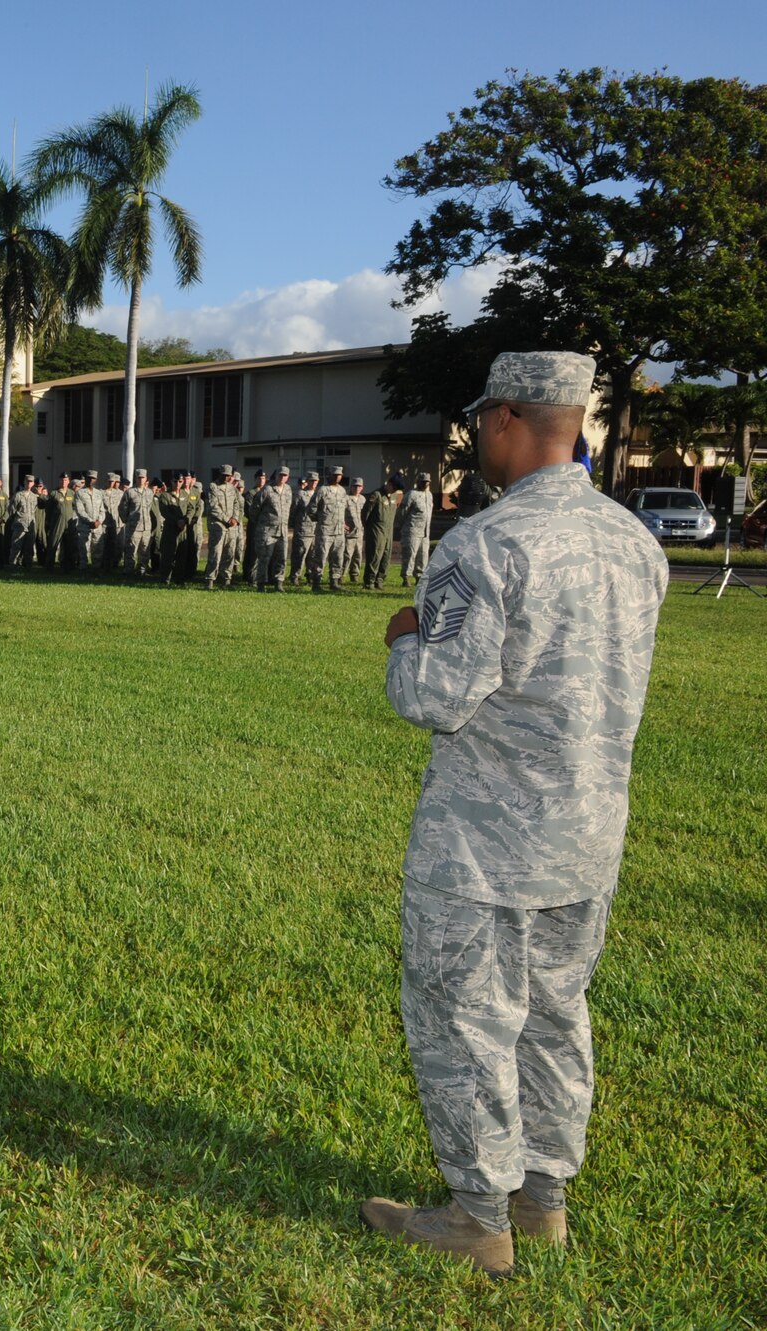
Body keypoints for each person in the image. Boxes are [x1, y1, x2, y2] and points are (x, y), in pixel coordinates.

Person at [362, 352, 667, 1278]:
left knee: (466, 1018)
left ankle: (476, 1214)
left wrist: (405, 637)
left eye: (480, 426)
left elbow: (437, 698)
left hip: (486, 842)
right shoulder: (636, 542)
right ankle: (543, 1199)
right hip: (587, 832)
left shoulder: (485, 544)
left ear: (504, 419)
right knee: (553, 1013)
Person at [251, 467, 293, 591]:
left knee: (282, 558)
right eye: (280, 475)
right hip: (267, 530)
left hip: (282, 530)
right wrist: (261, 523)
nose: (282, 477)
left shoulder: (288, 490)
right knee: (264, 558)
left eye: (285, 475)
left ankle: (279, 582)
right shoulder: (267, 490)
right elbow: (254, 508)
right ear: (275, 476)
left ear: (288, 477)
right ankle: (261, 583)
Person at [400, 472, 436, 584]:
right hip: (412, 530)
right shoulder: (411, 494)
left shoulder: (429, 495)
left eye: (427, 482)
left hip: (425, 532)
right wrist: (403, 527)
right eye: (423, 482)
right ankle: (406, 577)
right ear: (418, 482)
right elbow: (402, 513)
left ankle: (419, 577)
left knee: (423, 556)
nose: (425, 484)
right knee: (410, 555)